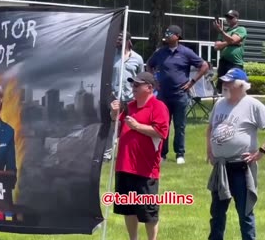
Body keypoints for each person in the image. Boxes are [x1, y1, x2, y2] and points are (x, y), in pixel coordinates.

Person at [202, 68, 263, 240]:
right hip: (221, 167)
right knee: (217, 212)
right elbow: (210, 127)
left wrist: (260, 152)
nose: (225, 85)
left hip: (241, 167)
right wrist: (210, 150)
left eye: (229, 82)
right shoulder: (220, 104)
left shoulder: (253, 105)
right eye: (224, 82)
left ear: (241, 85)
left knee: (245, 211)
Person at [111, 72, 169, 240]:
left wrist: (136, 126)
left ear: (149, 88)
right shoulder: (129, 106)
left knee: (148, 209)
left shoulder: (158, 107)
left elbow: (161, 133)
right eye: (133, 84)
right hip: (124, 165)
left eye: (138, 85)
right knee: (128, 207)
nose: (134, 88)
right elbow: (116, 126)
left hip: (145, 168)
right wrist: (114, 112)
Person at [146, 25, 209, 164]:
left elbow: (204, 66)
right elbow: (149, 65)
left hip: (180, 94)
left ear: (177, 36)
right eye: (166, 34)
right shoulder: (161, 52)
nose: (167, 36)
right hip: (163, 95)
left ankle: (180, 154)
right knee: (163, 125)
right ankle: (162, 154)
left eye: (170, 34)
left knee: (180, 125)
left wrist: (192, 82)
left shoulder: (186, 52)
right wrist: (154, 82)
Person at [104, 31, 144, 161]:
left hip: (131, 98)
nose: (117, 41)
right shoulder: (111, 57)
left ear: (127, 41)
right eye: (116, 39)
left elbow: (141, 78)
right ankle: (107, 154)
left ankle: (130, 152)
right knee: (112, 125)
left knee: (131, 125)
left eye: (120, 39)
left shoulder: (137, 59)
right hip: (115, 97)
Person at [214, 10, 247, 94]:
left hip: (235, 63)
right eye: (227, 17)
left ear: (236, 19)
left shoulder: (241, 29)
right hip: (223, 62)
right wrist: (231, 42)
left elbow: (232, 40)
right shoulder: (225, 32)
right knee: (222, 87)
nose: (228, 19)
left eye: (231, 17)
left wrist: (222, 33)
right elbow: (216, 46)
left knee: (235, 87)